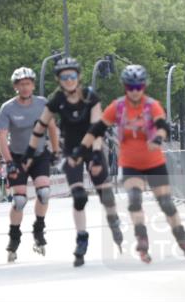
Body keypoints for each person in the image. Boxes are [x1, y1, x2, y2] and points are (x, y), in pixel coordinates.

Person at [77, 65, 185, 264]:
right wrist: (81, 149)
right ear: (125, 87)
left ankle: (183, 240)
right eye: (130, 87)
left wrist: (158, 139)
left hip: (154, 162)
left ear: (144, 86)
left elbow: (162, 126)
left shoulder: (152, 105)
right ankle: (142, 239)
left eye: (138, 87)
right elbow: (97, 129)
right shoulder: (117, 107)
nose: (135, 91)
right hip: (130, 163)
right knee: (134, 200)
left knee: (166, 203)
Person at [24, 56, 124, 267]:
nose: (69, 80)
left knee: (104, 194)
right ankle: (81, 238)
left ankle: (113, 220)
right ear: (59, 79)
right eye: (64, 76)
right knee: (79, 196)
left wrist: (96, 153)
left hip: (92, 147)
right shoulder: (56, 100)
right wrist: (30, 152)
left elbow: (97, 127)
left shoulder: (90, 96)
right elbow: (40, 126)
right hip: (72, 151)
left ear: (78, 76)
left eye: (72, 76)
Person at [0, 67, 59, 262]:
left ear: (32, 85)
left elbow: (52, 128)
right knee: (20, 201)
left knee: (44, 193)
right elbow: (1, 137)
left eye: (28, 84)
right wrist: (8, 162)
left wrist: (55, 150)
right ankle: (14, 239)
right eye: (21, 84)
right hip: (17, 157)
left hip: (39, 154)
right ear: (16, 87)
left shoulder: (42, 104)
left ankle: (39, 230)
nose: (25, 87)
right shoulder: (7, 108)